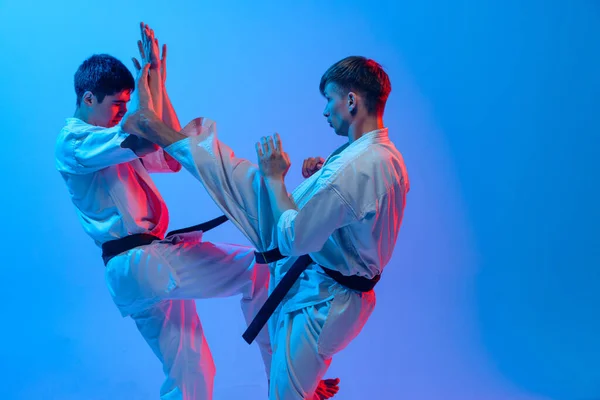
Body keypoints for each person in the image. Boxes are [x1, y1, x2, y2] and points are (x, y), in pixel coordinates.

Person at [123, 54, 409, 399]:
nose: (325, 110)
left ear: (351, 100)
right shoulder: (381, 156)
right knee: (242, 182)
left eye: (329, 99)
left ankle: (155, 127)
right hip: (325, 281)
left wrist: (277, 180)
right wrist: (319, 181)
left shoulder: (357, 167)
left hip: (324, 298)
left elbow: (292, 238)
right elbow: (355, 212)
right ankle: (159, 129)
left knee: (251, 184)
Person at [54, 23, 273, 400]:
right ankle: (287, 382)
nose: (124, 112)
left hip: (140, 271)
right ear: (88, 98)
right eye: (117, 105)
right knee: (258, 268)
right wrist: (144, 88)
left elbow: (171, 151)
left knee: (192, 374)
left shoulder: (109, 140)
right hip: (140, 263)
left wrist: (158, 83)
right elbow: (143, 133)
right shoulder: (73, 140)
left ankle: (286, 381)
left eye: (127, 103)